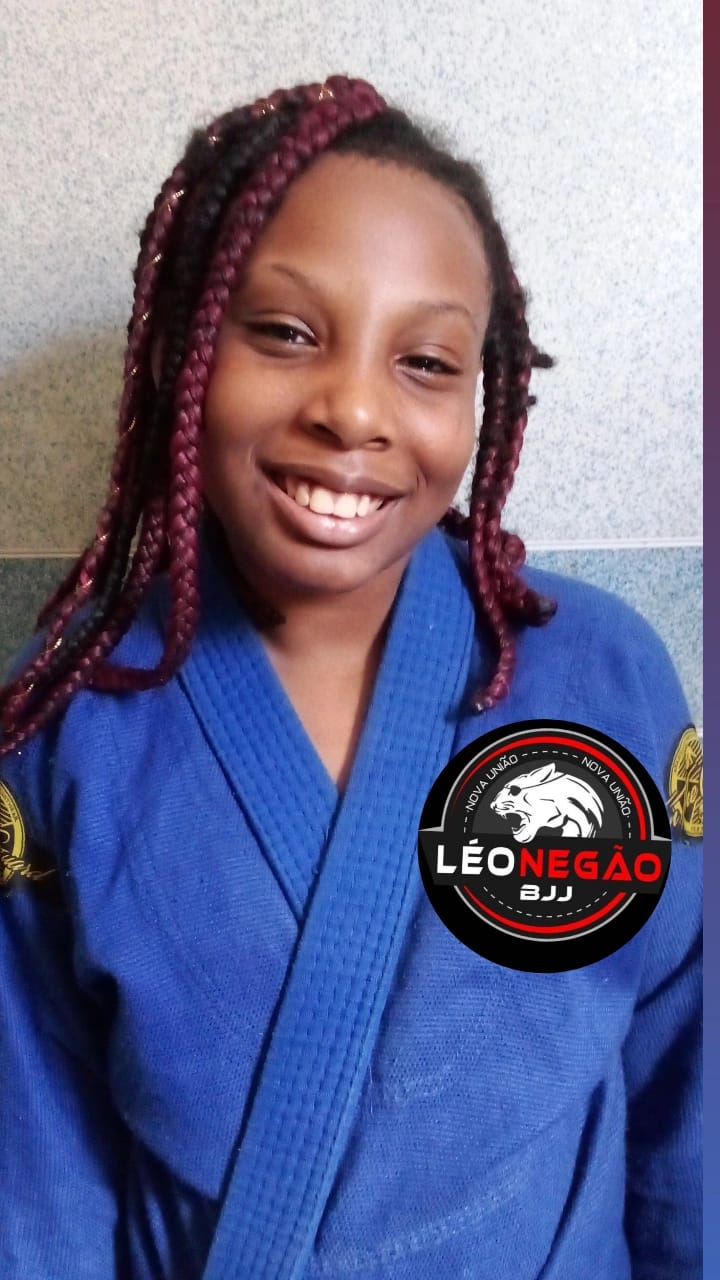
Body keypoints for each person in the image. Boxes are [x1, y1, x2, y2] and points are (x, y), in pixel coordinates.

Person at [0, 75, 701, 1279]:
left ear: (485, 393)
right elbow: (36, 1170)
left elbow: (688, 1068)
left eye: (426, 360)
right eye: (285, 332)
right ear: (176, 351)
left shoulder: (604, 676)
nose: (355, 410)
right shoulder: (64, 716)